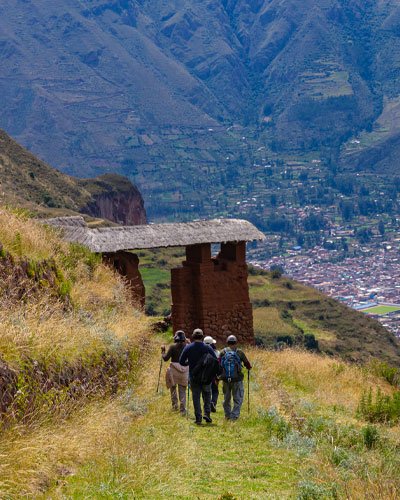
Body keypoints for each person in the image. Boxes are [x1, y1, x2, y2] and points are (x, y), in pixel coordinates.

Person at [179, 328, 217, 425]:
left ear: (193, 336)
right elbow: (215, 360)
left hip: (194, 376)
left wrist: (189, 363)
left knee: (196, 397)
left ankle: (198, 418)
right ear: (202, 336)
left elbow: (181, 361)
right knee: (207, 395)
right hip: (206, 377)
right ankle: (207, 414)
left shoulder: (188, 348)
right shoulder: (208, 348)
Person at [220, 333, 252, 421]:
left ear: (227, 342)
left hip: (226, 379)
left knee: (226, 398)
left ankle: (227, 415)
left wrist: (218, 377)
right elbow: (247, 364)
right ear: (235, 342)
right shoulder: (239, 352)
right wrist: (249, 367)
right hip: (237, 379)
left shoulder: (223, 352)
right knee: (237, 398)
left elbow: (218, 364)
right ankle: (234, 416)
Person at [162, 330, 189, 416]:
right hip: (184, 370)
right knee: (182, 390)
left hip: (173, 370)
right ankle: (183, 410)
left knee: (173, 388)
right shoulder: (187, 347)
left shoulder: (172, 347)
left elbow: (165, 358)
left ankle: (174, 406)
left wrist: (163, 351)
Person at [204, 335, 220, 412]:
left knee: (206, 391)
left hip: (203, 375)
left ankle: (208, 403)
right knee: (215, 390)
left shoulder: (201, 352)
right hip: (213, 375)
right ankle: (213, 402)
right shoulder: (216, 353)